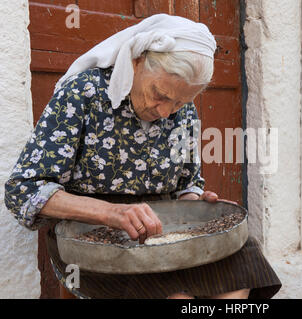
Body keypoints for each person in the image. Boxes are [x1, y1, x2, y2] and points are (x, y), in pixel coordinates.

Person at [4, 13, 281, 299]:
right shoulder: (83, 94)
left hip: (164, 235)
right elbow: (23, 191)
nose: (165, 111)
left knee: (239, 266)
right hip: (90, 239)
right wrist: (112, 212)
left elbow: (186, 184)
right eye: (159, 94)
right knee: (176, 298)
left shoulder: (182, 110)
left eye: (179, 102)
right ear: (136, 62)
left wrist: (197, 207)